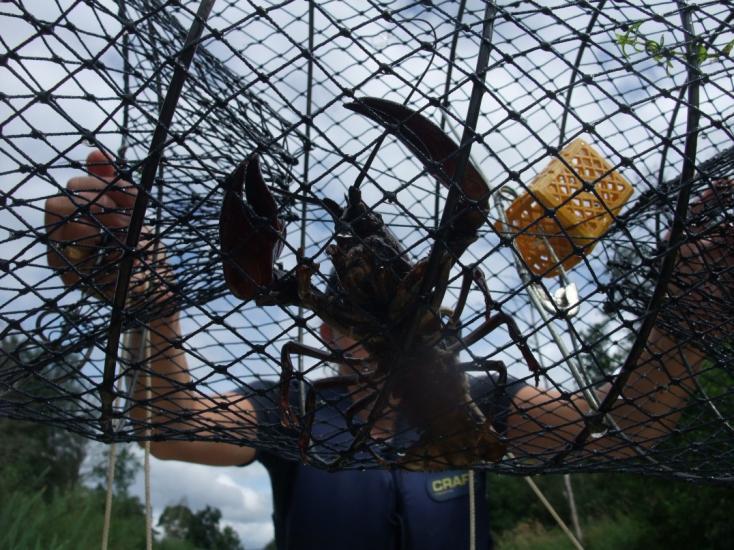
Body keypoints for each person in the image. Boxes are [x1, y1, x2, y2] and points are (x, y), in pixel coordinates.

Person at [44, 150, 730, 549]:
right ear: (325, 333)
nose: (365, 322)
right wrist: (153, 302)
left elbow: (625, 430)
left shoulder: (482, 397)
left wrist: (686, 314)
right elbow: (171, 431)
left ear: (430, 303)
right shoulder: (294, 409)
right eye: (347, 309)